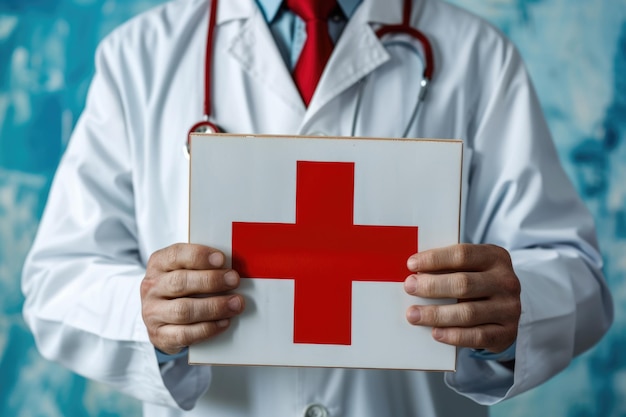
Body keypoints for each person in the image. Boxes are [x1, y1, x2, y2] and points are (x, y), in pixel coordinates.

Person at [21, 0, 613, 416]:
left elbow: (575, 273)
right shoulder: (137, 57)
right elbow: (58, 281)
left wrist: (518, 308)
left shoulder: (479, 54)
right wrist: (141, 315)